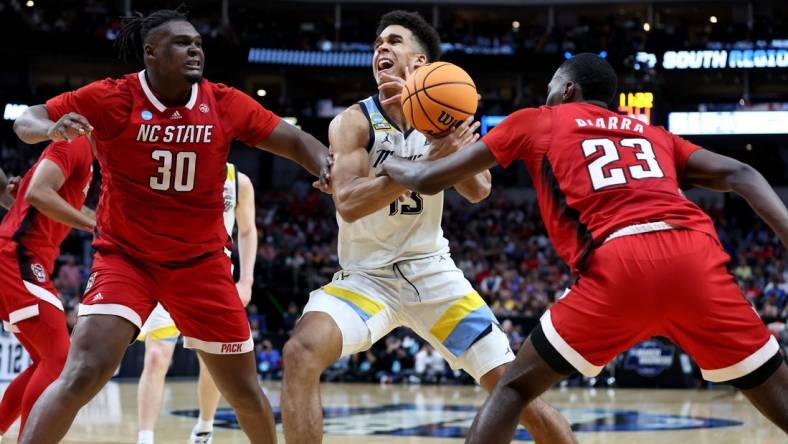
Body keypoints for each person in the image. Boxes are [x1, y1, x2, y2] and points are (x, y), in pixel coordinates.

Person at [380, 53, 788, 442]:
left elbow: (428, 179)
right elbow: (742, 173)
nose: (547, 97)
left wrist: (387, 162)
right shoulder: (654, 135)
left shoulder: (538, 121)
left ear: (568, 90)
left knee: (514, 390)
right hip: (695, 258)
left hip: (619, 263)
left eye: (551, 88)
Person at [12, 8, 329, 444]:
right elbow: (24, 120)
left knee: (243, 390)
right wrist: (50, 127)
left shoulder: (223, 101)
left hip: (202, 265)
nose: (195, 48)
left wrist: (326, 165)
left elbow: (293, 139)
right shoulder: (112, 97)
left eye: (198, 42)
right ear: (151, 53)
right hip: (126, 260)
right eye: (182, 42)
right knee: (83, 372)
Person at [281, 10, 575, 444]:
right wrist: (430, 163)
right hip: (366, 280)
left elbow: (479, 190)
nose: (382, 48)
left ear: (421, 65)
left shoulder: (445, 113)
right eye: (378, 43)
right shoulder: (353, 122)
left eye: (395, 42)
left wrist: (445, 143)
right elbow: (349, 203)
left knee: (515, 390)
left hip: (432, 275)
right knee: (299, 352)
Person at [136, 163, 256, 444]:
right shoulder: (167, 168)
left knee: (212, 363)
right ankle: (145, 438)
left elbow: (248, 230)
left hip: (211, 281)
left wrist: (246, 279)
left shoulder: (238, 181)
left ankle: (204, 426)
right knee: (155, 358)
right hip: (165, 274)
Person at [0, 136, 94, 439]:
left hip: (19, 256)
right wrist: (94, 227)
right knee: (59, 359)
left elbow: (32, 198)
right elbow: (38, 194)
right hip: (19, 255)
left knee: (46, 360)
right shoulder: (76, 143)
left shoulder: (84, 158)